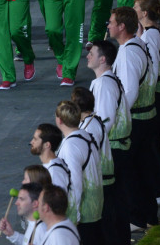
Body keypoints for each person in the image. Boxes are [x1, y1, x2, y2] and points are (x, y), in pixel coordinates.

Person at [107, 6, 159, 231]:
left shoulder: (128, 52)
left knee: (130, 171)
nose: (107, 26)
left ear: (121, 27)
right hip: (145, 116)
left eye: (111, 22)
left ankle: (136, 217)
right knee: (143, 167)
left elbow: (129, 92)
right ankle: (149, 215)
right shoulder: (137, 45)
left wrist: (118, 120)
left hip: (135, 120)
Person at [134, 0, 160, 205]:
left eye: (135, 8)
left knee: (154, 142)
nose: (133, 11)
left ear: (143, 13)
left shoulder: (151, 35)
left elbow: (148, 65)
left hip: (159, 90)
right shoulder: (151, 33)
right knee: (156, 142)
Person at [86, 40, 130, 243]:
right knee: (116, 199)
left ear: (102, 59)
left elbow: (104, 120)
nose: (88, 56)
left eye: (92, 53)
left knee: (110, 202)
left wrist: (87, 146)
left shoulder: (104, 84)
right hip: (114, 148)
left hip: (111, 150)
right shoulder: (107, 81)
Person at [56, 99, 104, 241]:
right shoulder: (84, 135)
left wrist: (75, 213)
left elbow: (75, 181)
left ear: (59, 121)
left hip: (83, 212)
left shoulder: (71, 145)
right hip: (93, 205)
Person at [30, 124, 71, 194]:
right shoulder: (51, 167)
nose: (31, 142)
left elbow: (59, 201)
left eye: (35, 139)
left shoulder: (54, 172)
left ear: (47, 145)